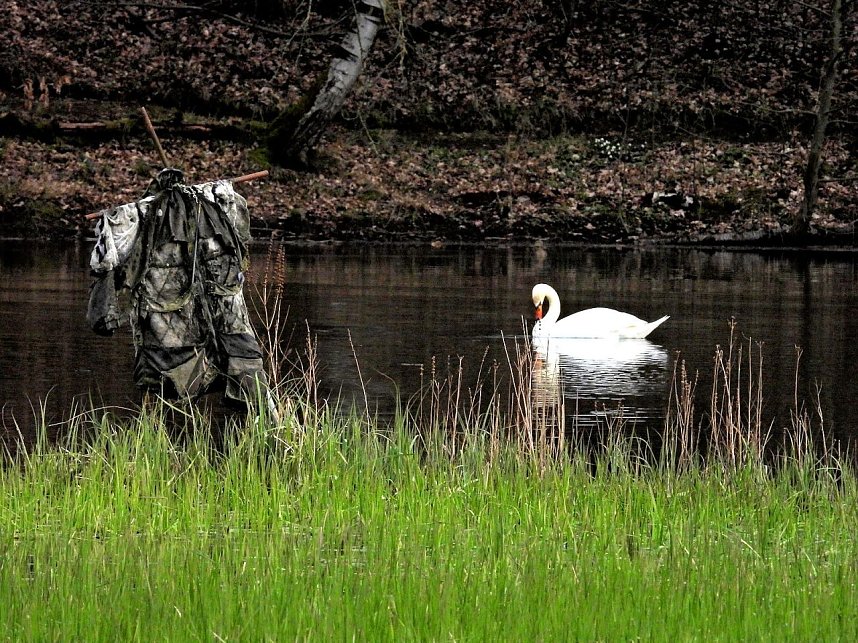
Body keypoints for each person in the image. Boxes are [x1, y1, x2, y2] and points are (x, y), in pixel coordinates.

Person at [87, 168, 275, 417]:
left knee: (247, 371)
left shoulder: (218, 205)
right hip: (179, 336)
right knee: (171, 383)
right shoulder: (139, 218)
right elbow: (107, 260)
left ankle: (274, 428)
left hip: (225, 328)